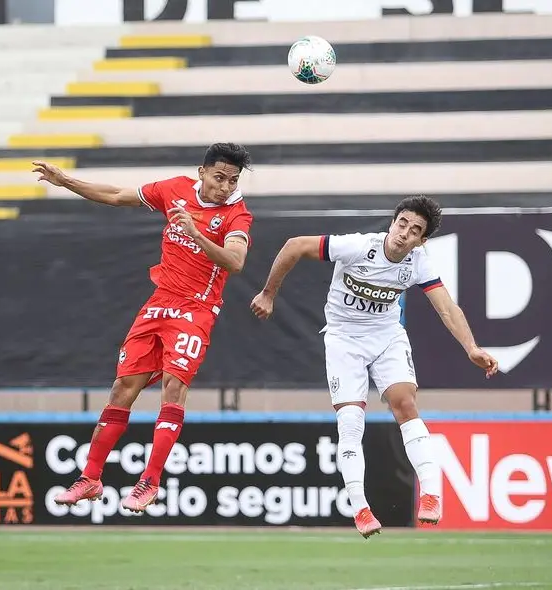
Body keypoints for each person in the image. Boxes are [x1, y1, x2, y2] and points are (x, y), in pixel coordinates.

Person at [250, 196, 499, 538]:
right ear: (392, 222)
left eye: (415, 231)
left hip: (386, 337)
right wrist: (268, 293)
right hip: (343, 339)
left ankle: (430, 494)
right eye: (402, 224)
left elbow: (446, 307)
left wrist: (471, 347)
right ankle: (361, 507)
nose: (404, 234)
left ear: (421, 240)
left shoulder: (417, 262)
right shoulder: (357, 247)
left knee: (406, 404)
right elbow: (294, 246)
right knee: (351, 420)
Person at [32, 143, 254, 513]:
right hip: (159, 302)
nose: (225, 187)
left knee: (174, 384)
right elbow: (118, 195)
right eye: (219, 178)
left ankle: (149, 481)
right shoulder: (174, 189)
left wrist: (198, 235)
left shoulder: (237, 215)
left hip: (196, 309)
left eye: (232, 180)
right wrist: (66, 181)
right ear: (201, 173)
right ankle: (90, 478)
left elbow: (236, 261)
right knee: (122, 387)